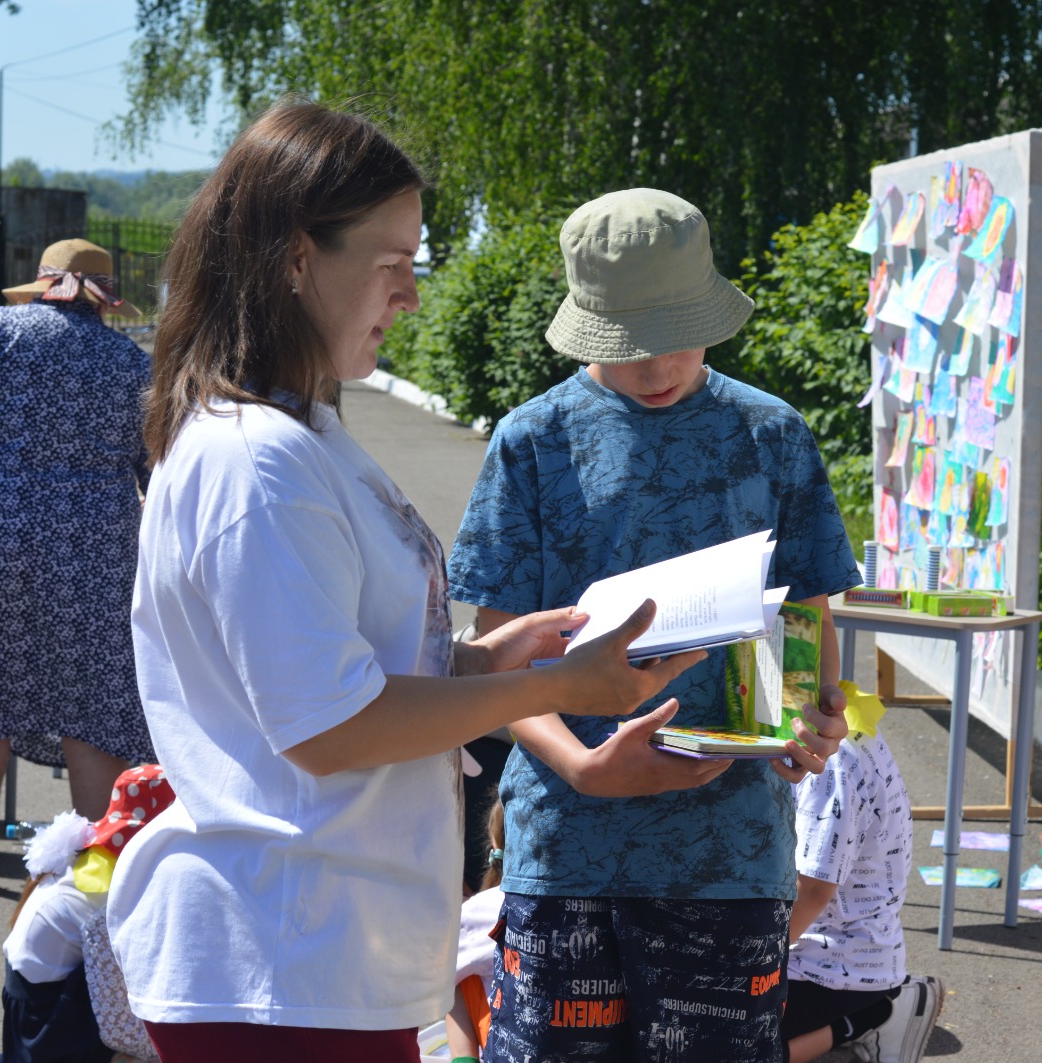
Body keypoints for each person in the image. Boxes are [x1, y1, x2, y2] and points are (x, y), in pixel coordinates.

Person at [105, 98, 700, 1063]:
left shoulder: (298, 435)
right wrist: (554, 687)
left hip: (319, 954)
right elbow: (328, 727)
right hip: (281, 959)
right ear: (297, 258)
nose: (412, 295)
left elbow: (331, 668)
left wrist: (476, 661)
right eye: (393, 263)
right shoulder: (259, 461)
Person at [447, 187, 860, 1062]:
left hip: (732, 854)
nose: (658, 363)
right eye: (630, 342)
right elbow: (495, 661)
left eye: (680, 332)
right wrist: (583, 768)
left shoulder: (772, 435)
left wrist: (810, 717)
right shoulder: (532, 441)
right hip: (566, 849)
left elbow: (807, 615)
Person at [0, 239, 155, 896]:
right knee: (93, 693)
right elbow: (155, 469)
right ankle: (93, 869)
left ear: (42, 284)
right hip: (98, 542)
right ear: (105, 296)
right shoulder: (133, 363)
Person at [0, 764, 172, 1063]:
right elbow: (119, 1018)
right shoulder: (107, 892)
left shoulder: (89, 860)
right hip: (52, 1023)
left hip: (28, 1005)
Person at [783, 731, 943, 1063]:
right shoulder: (832, 738)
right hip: (826, 953)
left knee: (711, 1041)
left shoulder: (829, 758)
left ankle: (871, 1017)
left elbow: (812, 891)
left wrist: (741, 968)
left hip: (831, 964)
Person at [445, 800, 507, 1062]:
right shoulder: (612, 905)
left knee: (453, 976)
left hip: (504, 1052)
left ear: (495, 842)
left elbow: (440, 983)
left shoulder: (477, 911)